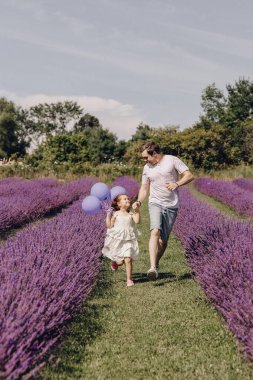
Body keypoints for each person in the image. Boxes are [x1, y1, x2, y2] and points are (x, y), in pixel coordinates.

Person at [132, 141, 194, 281]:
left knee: (163, 242)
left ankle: (156, 263)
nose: (144, 160)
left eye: (145, 157)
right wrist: (139, 201)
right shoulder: (147, 168)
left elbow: (189, 175)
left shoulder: (172, 160)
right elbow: (144, 188)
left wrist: (177, 183)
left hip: (172, 205)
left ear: (154, 154)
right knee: (155, 231)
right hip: (155, 202)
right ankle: (152, 267)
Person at [102, 194, 141, 287]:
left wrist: (137, 210)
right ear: (119, 204)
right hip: (118, 240)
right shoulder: (116, 214)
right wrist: (108, 214)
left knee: (128, 259)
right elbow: (109, 226)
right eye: (124, 199)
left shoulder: (131, 214)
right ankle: (115, 262)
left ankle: (129, 279)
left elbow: (137, 221)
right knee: (120, 262)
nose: (127, 200)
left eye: (128, 198)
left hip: (128, 239)